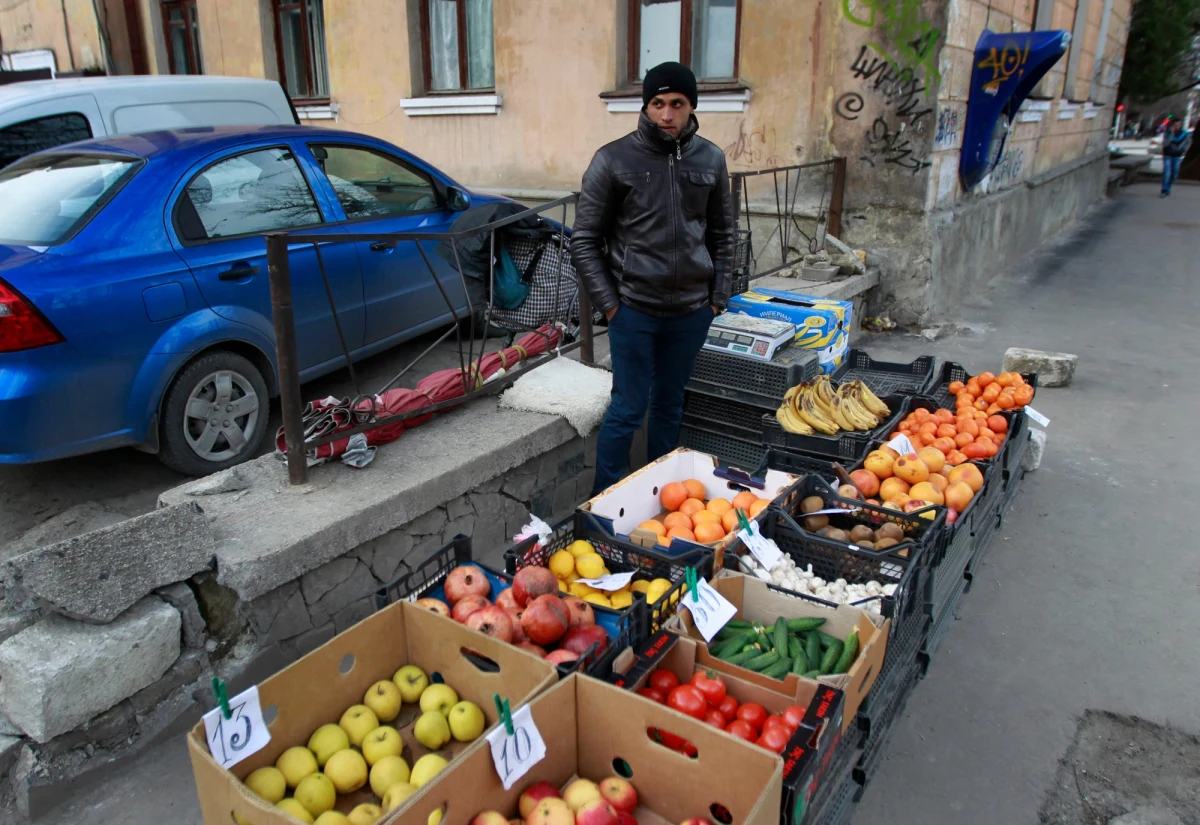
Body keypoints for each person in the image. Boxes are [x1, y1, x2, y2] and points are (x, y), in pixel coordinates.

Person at [571, 61, 734, 494]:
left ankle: (661, 494)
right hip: (634, 310)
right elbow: (584, 240)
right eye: (657, 104)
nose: (666, 114)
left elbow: (723, 233)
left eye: (676, 104)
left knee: (668, 404)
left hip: (692, 311)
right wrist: (611, 307)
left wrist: (717, 298)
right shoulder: (613, 159)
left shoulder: (711, 158)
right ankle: (605, 501)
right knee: (627, 408)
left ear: (691, 107)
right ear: (645, 107)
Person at [1161, 118, 1191, 196]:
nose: (1177, 126)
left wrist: (1184, 149)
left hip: (1177, 155)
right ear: (1172, 125)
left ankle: (1168, 187)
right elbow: (1165, 144)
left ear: (1181, 125)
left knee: (1174, 173)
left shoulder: (1184, 133)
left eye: (1178, 125)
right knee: (1167, 173)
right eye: (1175, 125)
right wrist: (1171, 133)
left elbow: (1188, 142)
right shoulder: (1167, 133)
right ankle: (1164, 189)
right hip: (1168, 155)